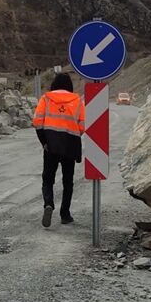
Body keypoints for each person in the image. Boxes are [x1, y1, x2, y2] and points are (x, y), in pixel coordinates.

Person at [32, 73, 85, 227]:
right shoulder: (77, 100)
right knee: (68, 181)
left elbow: (37, 121)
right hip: (70, 144)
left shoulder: (46, 99)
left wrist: (44, 142)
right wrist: (73, 135)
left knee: (48, 179)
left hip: (51, 144)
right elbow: (82, 125)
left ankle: (48, 204)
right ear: (69, 85)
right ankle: (65, 214)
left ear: (54, 84)